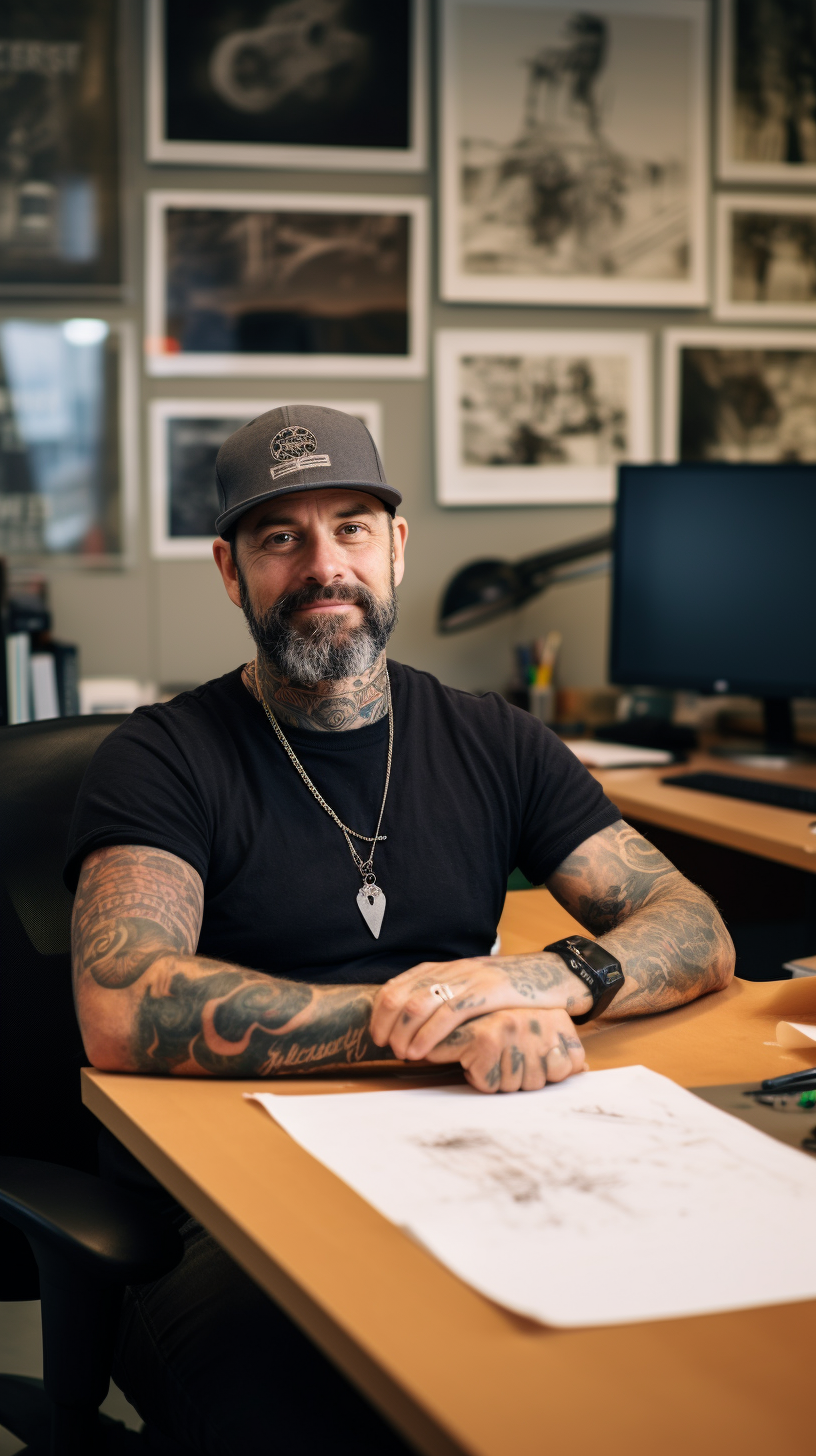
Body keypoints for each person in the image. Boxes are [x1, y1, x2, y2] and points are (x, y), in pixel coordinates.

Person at [66, 405, 735, 1456]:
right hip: (221, 1209)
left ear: (398, 547)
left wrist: (546, 977)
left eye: (351, 526)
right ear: (231, 570)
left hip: (476, 1149)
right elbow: (122, 999)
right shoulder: (160, 756)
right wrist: (419, 1018)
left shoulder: (494, 738)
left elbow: (693, 925)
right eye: (281, 537)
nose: (324, 564)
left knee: (654, 1361)